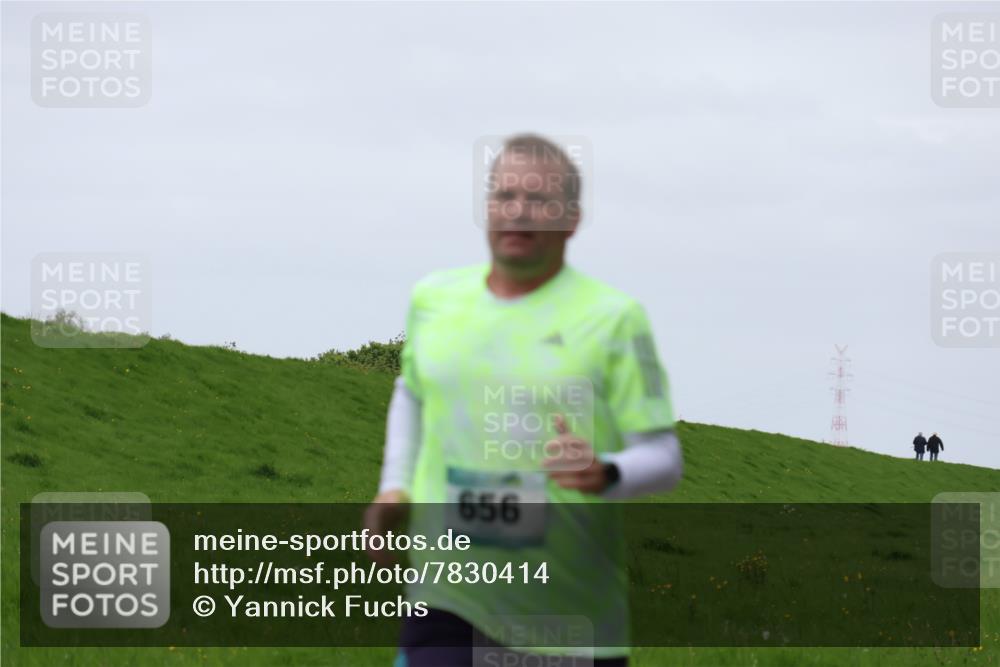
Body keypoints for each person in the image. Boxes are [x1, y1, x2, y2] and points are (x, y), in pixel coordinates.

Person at [364, 134, 684, 667]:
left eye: (538, 200)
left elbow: (664, 458)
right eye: (504, 195)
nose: (518, 211)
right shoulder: (433, 300)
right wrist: (394, 487)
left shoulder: (615, 320)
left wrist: (606, 472)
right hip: (447, 598)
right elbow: (413, 394)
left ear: (572, 219)